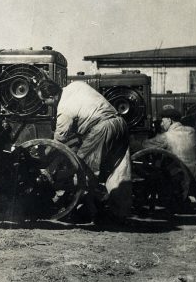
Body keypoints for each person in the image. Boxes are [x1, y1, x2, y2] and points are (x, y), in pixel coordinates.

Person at [36, 77, 132, 222]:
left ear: (52, 96)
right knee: (117, 171)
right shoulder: (76, 85)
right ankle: (119, 213)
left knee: (82, 169)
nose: (44, 104)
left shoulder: (64, 109)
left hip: (103, 128)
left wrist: (43, 161)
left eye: (44, 101)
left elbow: (58, 143)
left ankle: (88, 209)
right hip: (120, 124)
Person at [142, 106, 196, 181]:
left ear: (169, 120)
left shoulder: (166, 136)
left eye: (163, 121)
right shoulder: (192, 131)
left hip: (180, 180)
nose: (161, 124)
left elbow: (145, 145)